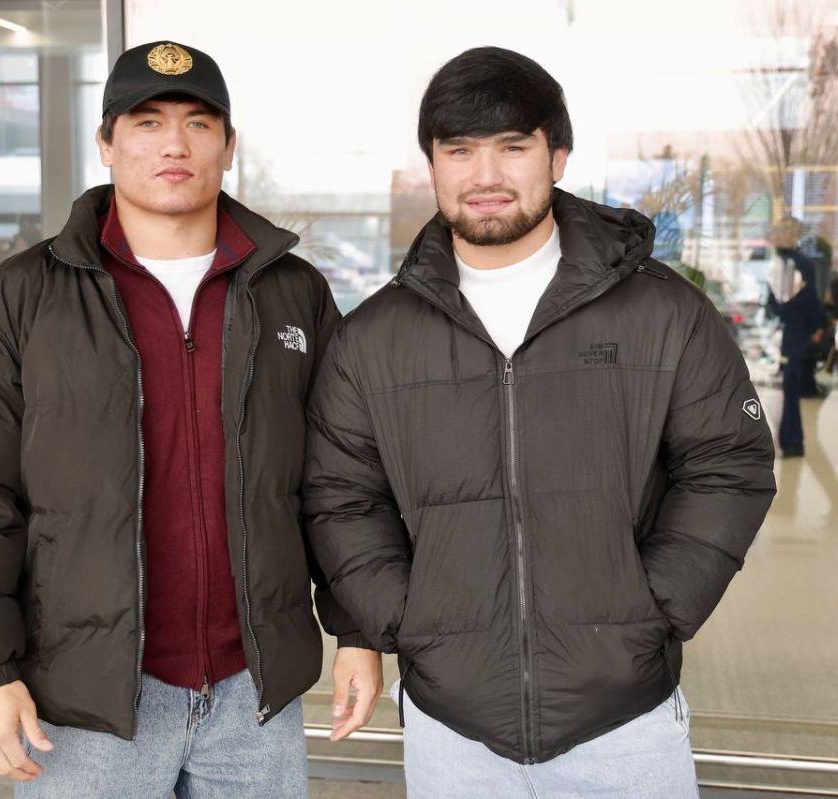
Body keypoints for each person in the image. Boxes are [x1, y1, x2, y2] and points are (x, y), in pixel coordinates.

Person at [303, 47, 777, 798]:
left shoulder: (662, 311)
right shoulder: (374, 338)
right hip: (452, 729)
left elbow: (729, 465)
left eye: (512, 146)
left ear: (557, 157)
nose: (485, 174)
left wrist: (653, 610)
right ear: (433, 165)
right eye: (460, 150)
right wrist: (408, 620)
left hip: (625, 724)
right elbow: (341, 497)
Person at [0, 41, 380, 798]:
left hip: (253, 695)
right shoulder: (20, 299)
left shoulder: (291, 292)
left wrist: (357, 629)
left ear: (228, 146)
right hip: (84, 702)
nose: (174, 144)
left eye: (198, 123)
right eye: (147, 121)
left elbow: (337, 479)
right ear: (106, 142)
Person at [766, 217, 823, 458]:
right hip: (789, 332)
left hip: (792, 332)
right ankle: (791, 440)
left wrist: (814, 326)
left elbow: (805, 300)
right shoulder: (787, 262)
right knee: (788, 388)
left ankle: (791, 441)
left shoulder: (795, 263)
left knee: (789, 388)